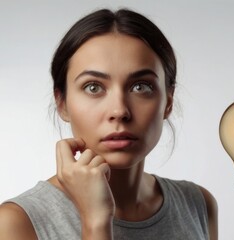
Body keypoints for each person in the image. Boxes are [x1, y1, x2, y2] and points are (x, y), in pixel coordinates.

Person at [0, 8, 218, 240]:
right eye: (93, 87)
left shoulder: (198, 205)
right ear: (62, 103)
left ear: (168, 101)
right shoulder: (16, 223)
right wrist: (96, 221)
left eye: (141, 87)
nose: (119, 111)